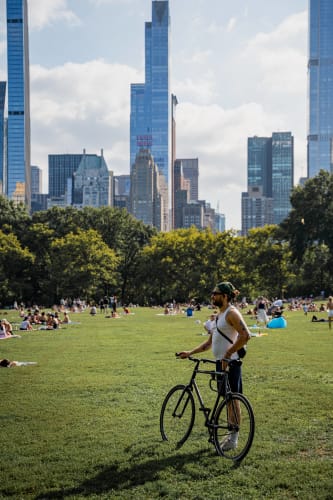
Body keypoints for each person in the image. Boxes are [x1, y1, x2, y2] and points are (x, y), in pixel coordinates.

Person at [178, 281, 251, 451]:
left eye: (215, 293)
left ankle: (233, 438)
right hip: (221, 363)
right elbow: (209, 343)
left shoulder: (231, 313)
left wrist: (227, 354)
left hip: (231, 363)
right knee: (227, 400)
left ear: (225, 296)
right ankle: (230, 433)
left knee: (233, 400)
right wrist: (190, 352)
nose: (212, 296)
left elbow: (245, 335)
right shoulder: (219, 316)